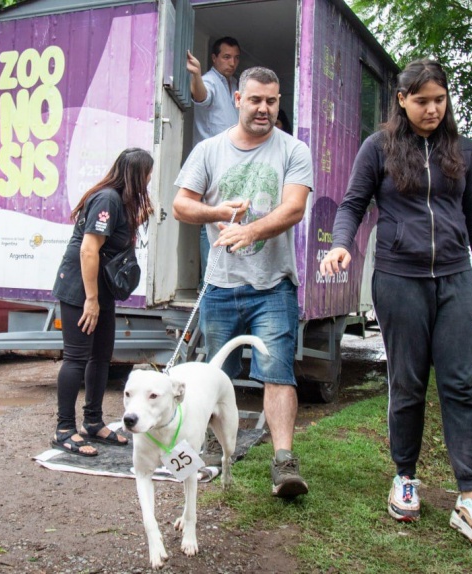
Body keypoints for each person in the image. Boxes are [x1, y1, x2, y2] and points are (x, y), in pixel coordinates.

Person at [319, 58, 472, 551]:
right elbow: (352, 204)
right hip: (399, 280)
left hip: (455, 279)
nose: (431, 109)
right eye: (422, 100)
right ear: (402, 100)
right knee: (406, 383)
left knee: (460, 384)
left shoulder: (463, 151)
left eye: (439, 100)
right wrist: (342, 244)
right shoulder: (378, 148)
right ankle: (405, 476)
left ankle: (471, 496)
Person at [172, 67, 313, 499]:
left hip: (273, 285)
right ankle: (213, 452)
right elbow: (180, 205)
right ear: (237, 99)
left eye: (271, 101)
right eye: (255, 100)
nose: (264, 109)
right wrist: (219, 214)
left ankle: (284, 462)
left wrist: (250, 231)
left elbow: (293, 209)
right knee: (216, 376)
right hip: (220, 286)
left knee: (278, 373)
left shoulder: (293, 150)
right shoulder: (209, 150)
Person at [51, 148, 154, 457]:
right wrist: (91, 300)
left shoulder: (120, 203)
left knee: (101, 356)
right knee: (76, 358)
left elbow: (113, 239)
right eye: (147, 174)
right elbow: (88, 250)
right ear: (137, 175)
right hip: (81, 289)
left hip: (101, 288)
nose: (149, 180)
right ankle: (64, 430)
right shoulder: (107, 199)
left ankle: (93, 422)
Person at [186, 37, 242, 286]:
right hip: (212, 162)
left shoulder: (235, 84)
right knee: (209, 222)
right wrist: (195, 75)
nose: (232, 62)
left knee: (228, 221)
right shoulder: (209, 80)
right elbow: (201, 96)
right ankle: (208, 284)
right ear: (214, 58)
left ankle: (224, 281)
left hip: (233, 160)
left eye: (236, 58)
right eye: (226, 57)